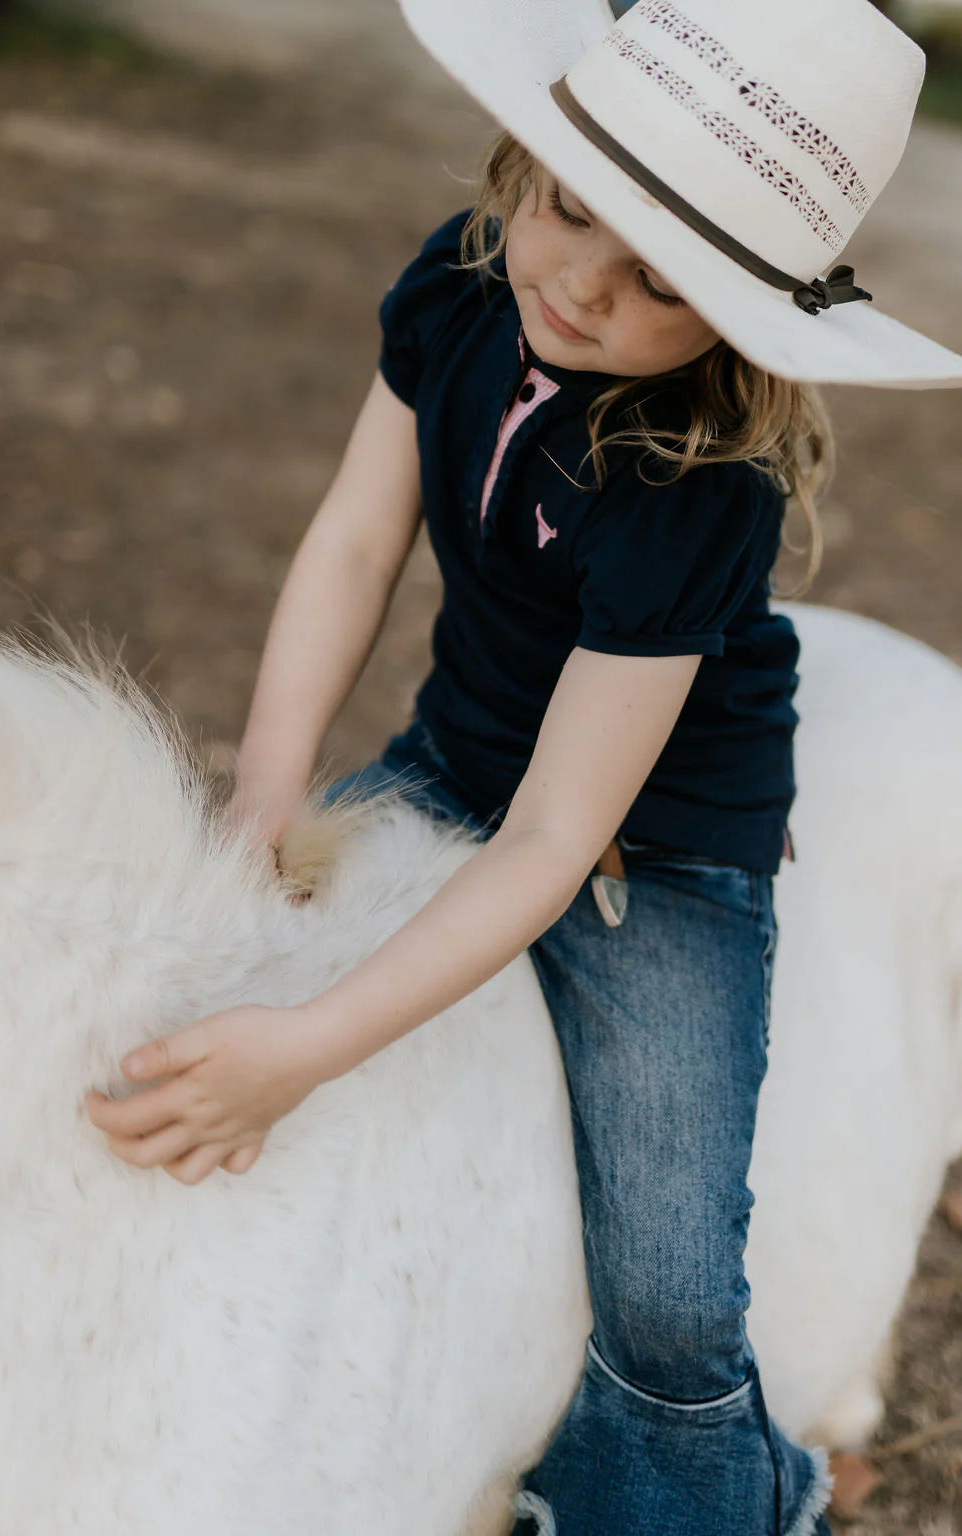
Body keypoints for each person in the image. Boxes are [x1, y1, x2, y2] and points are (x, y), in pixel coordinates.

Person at [84, 0, 962, 1530]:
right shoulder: (464, 276)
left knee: (672, 1296)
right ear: (528, 162)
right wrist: (267, 793)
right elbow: (358, 540)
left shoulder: (696, 486)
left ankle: (740, 1494)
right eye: (571, 209)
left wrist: (307, 1052)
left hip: (655, 853)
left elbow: (557, 842)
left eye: (662, 283)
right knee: (197, 975)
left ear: (744, 318)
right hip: (462, 754)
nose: (581, 286)